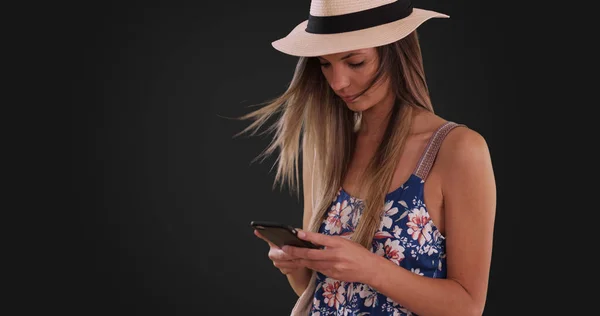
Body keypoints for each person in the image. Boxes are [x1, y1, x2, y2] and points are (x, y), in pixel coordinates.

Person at [238, 0, 496, 315]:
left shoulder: (456, 151)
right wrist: (294, 263)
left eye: (355, 62)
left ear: (397, 51)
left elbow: (468, 306)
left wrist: (369, 268)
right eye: (325, 64)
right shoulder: (326, 149)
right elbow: (317, 289)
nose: (338, 83)